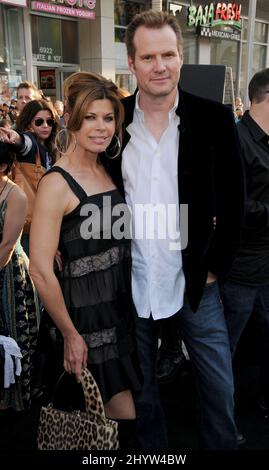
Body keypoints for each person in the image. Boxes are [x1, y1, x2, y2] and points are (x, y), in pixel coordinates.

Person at [107, 10, 245, 450]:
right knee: (142, 390)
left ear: (181, 57)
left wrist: (213, 268)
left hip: (194, 281)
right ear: (131, 63)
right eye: (148, 57)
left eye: (168, 54)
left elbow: (235, 202)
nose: (159, 65)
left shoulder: (214, 119)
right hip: (132, 281)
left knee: (218, 386)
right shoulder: (111, 121)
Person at [28, 72, 141, 446]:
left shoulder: (109, 169)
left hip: (118, 314)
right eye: (90, 117)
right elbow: (41, 270)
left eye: (108, 118)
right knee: (100, 425)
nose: (100, 127)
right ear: (73, 120)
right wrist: (70, 335)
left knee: (111, 428)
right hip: (82, 322)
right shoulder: (57, 182)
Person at [220, 68, 269, 419]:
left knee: (262, 345)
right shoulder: (234, 140)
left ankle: (257, 402)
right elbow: (229, 206)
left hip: (265, 267)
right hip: (240, 269)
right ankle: (221, 416)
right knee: (225, 351)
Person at [0, 142, 39, 411]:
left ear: (3, 166)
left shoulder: (16, 196)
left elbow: (7, 246)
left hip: (10, 276)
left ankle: (13, 401)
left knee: (14, 336)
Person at [0, 99, 58, 254]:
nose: (45, 125)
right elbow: (24, 143)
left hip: (45, 223)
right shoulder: (30, 141)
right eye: (39, 122)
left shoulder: (51, 147)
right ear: (28, 124)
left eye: (49, 121)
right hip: (28, 227)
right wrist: (15, 137)